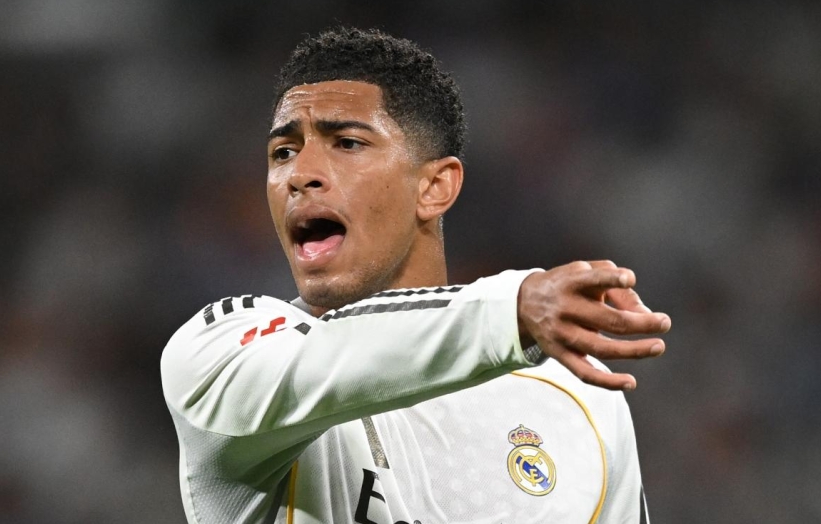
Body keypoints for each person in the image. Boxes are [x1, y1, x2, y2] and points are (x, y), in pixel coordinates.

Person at [162, 27, 671, 524]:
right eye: (283, 152)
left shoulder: (576, 392)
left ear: (434, 188)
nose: (300, 174)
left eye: (347, 143)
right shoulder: (218, 359)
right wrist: (510, 307)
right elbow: (321, 361)